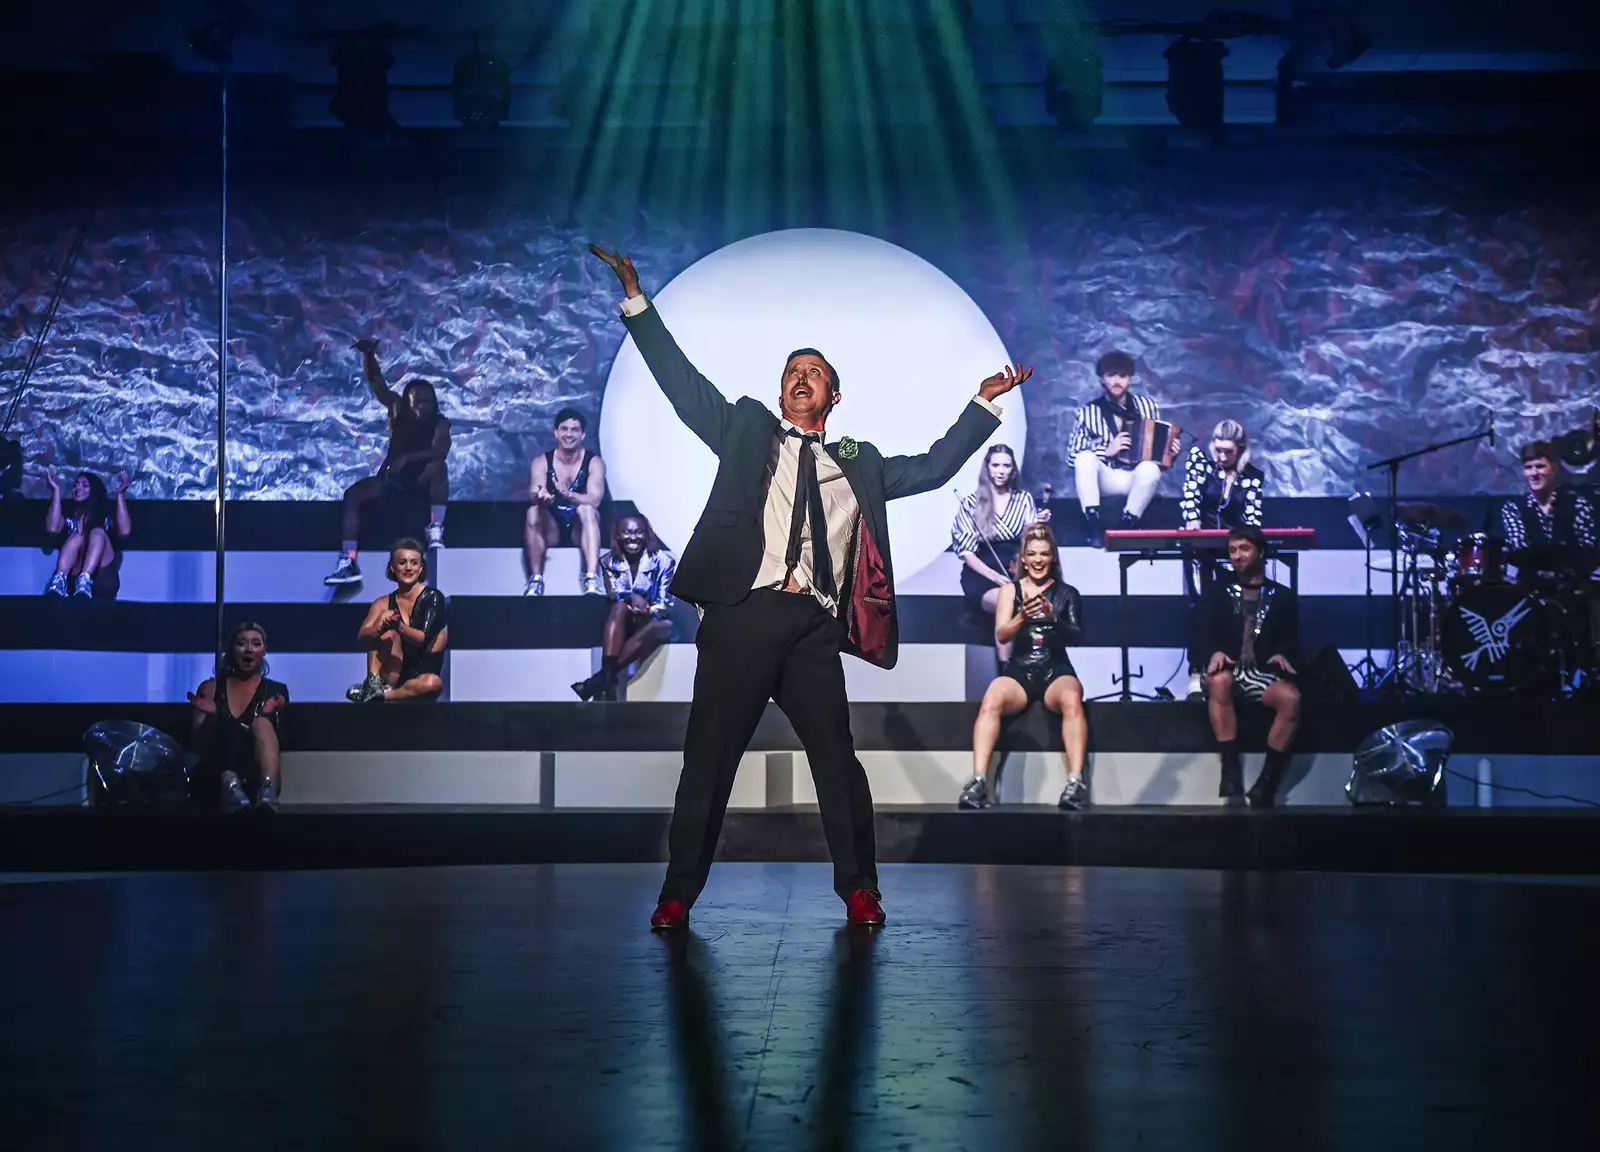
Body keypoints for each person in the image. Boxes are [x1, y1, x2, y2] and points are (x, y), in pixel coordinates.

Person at [590, 241, 1024, 930]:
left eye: (814, 372)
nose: (801, 377)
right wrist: (638, 304)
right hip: (741, 613)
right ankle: (677, 894)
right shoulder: (744, 430)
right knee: (709, 761)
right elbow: (682, 384)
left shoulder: (860, 462)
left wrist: (983, 404)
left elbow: (936, 467)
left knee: (837, 762)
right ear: (780, 390)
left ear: (834, 395)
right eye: (793, 371)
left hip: (813, 627)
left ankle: (859, 889)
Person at [958, 524, 1088, 812]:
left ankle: (1075, 783)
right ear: (1024, 559)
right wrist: (1022, 616)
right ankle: (978, 781)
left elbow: (1077, 637)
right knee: (992, 698)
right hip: (1021, 669)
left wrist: (1054, 618)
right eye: (1032, 554)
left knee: (1072, 698)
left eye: (1044, 554)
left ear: (1052, 557)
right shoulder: (1009, 591)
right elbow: (1003, 634)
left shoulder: (1068, 592)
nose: (1038, 560)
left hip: (1056, 668)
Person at [325, 339, 451, 586]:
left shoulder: (440, 423)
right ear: (408, 401)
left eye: (427, 400)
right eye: (417, 400)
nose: (422, 405)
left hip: (420, 480)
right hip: (392, 480)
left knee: (438, 467)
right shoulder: (396, 409)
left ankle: (436, 528)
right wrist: (368, 355)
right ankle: (349, 560)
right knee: (353, 495)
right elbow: (377, 384)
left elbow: (440, 451)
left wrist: (409, 458)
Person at [1192, 525, 1301, 808]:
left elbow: (1291, 639)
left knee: (1291, 699)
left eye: (1244, 549)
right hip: (1224, 668)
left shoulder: (1282, 596)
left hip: (1259, 671)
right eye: (1232, 550)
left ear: (1261, 552)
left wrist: (1281, 655)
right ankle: (1230, 772)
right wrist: (1214, 652)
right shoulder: (1216, 591)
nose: (1237, 556)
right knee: (1221, 682)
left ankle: (1266, 783)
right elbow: (1200, 633)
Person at [1180, 419, 1265, 696]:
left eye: (1228, 451)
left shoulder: (1252, 476)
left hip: (1235, 551)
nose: (1222, 456)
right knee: (1200, 608)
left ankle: (1237, 671)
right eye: (1218, 450)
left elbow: (1253, 518)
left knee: (1236, 610)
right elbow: (1191, 497)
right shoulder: (1202, 466)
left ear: (1240, 449)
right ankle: (1197, 670)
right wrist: (1192, 521)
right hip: (1202, 551)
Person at [952, 444, 1048, 654]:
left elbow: (1030, 541)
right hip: (982, 573)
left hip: (1016, 568)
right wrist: (996, 577)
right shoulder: (971, 503)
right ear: (987, 467)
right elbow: (968, 554)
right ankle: (1007, 668)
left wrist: (1036, 527)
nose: (1001, 471)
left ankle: (1034, 664)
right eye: (995, 465)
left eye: (1006, 466)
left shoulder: (1023, 499)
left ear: (1013, 469)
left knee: (1040, 608)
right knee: (1007, 603)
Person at [573, 513, 678, 701]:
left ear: (646, 534)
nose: (633, 537)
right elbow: (614, 593)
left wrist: (647, 610)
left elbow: (666, 604)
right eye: (627, 532)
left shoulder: (664, 561)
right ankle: (607, 678)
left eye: (638, 532)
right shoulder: (608, 561)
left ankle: (600, 680)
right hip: (626, 619)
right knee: (619, 607)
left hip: (655, 621)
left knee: (657, 625)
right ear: (618, 536)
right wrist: (632, 597)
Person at [188, 622, 288, 812]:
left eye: (256, 643)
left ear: (264, 650)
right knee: (228, 728)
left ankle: (267, 792)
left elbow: (279, 742)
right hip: (215, 778)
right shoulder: (211, 688)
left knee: (261, 723)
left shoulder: (275, 691)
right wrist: (212, 717)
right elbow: (197, 744)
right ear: (231, 649)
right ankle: (230, 784)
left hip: (255, 780)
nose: (249, 649)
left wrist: (270, 714)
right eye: (241, 643)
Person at [1069, 350, 1164, 544]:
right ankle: (1094, 525)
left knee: (1150, 468)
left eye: (1122, 375)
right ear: (1101, 379)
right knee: (1084, 459)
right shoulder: (1087, 413)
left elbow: (1157, 452)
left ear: (1130, 379)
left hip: (1135, 476)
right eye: (1111, 375)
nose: (1117, 381)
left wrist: (1169, 452)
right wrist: (1106, 451)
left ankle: (1126, 526)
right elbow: (1072, 456)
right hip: (1105, 477)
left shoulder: (1148, 407)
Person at [347, 539, 449, 702]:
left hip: (421, 678)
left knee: (433, 684)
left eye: (414, 563)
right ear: (392, 567)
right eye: (402, 562)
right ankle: (373, 685)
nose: (408, 568)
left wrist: (399, 626)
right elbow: (362, 639)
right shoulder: (381, 603)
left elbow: (423, 640)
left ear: (421, 568)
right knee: (386, 634)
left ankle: (382, 697)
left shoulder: (434, 598)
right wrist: (379, 626)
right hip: (391, 676)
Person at [524, 408, 607, 596]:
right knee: (532, 511)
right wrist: (541, 496)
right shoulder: (541, 462)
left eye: (574, 429)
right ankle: (536, 580)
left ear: (582, 435)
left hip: (580, 528)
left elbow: (595, 499)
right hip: (552, 528)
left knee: (587, 510)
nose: (569, 434)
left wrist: (569, 495)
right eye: (564, 429)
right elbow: (533, 492)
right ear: (556, 433)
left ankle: (592, 578)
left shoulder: (594, 462)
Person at [1500, 440, 1597, 575]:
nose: (1534, 473)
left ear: (1554, 469)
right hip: (1530, 585)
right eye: (1528, 467)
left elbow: (1588, 551)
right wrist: (1562, 552)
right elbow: (1520, 551)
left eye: (1540, 466)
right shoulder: (1513, 508)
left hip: (1573, 583)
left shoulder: (1578, 504)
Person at [43, 469, 131, 598]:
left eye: (85, 485)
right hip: (74, 578)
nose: (78, 488)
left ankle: (85, 579)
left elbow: (125, 531)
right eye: (75, 485)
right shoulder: (68, 513)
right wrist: (55, 490)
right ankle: (59, 581)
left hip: (103, 577)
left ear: (94, 490)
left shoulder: (104, 513)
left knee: (97, 533)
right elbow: (52, 529)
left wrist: (120, 493)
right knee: (77, 538)